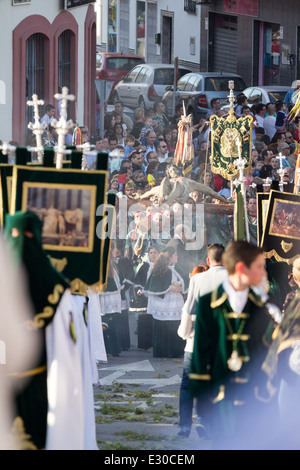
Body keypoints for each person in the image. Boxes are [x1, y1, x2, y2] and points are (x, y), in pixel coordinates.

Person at [189, 240, 279, 450]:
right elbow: (201, 353)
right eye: (259, 266)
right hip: (221, 401)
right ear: (241, 268)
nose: (264, 272)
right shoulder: (208, 302)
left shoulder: (263, 304)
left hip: (256, 399)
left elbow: (269, 352)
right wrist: (202, 403)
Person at [177, 244, 228, 438]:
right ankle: (206, 421)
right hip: (222, 341)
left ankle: (184, 426)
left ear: (208, 260)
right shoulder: (231, 279)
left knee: (187, 384)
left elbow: (189, 308)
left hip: (197, 340)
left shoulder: (197, 278)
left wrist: (184, 332)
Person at [144, 246, 187, 358]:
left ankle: (175, 351)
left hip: (175, 302)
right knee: (163, 326)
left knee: (174, 326)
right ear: (171, 256)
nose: (177, 256)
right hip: (164, 303)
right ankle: (162, 351)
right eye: (175, 255)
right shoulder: (159, 268)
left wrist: (181, 288)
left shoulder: (177, 268)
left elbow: (186, 281)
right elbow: (155, 286)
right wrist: (171, 288)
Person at [133, 244, 160, 350]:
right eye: (151, 253)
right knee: (145, 320)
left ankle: (156, 343)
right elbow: (137, 280)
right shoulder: (145, 266)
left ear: (159, 254)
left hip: (157, 296)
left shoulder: (161, 266)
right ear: (148, 255)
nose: (153, 255)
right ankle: (145, 344)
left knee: (156, 319)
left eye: (155, 252)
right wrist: (139, 289)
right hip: (146, 296)